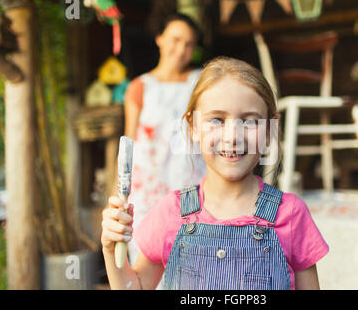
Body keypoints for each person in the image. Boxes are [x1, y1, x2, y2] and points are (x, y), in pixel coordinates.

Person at [102, 57, 329, 290]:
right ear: (193, 128)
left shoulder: (290, 214)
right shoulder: (171, 212)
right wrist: (110, 249)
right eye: (217, 120)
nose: (232, 136)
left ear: (270, 131)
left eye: (250, 121)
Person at [121, 13, 206, 265]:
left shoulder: (200, 82)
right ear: (159, 39)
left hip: (192, 185)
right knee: (148, 261)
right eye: (175, 39)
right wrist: (120, 195)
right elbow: (128, 145)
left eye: (189, 44)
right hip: (147, 191)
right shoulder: (140, 87)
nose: (181, 49)